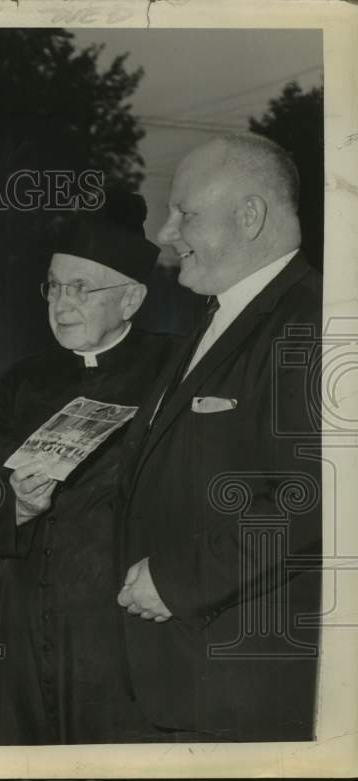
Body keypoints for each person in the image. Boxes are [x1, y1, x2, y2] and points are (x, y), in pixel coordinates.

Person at [115, 133, 322, 741]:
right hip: (188, 679)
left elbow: (309, 498)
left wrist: (179, 581)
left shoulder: (311, 323)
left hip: (248, 689)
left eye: (185, 213)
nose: (165, 234)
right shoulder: (215, 317)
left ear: (251, 215)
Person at [0, 198, 175, 744]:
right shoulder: (24, 378)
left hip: (120, 624)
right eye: (55, 286)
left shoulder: (174, 369)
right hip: (24, 617)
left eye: (82, 288)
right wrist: (15, 504)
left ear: (131, 298)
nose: (62, 303)